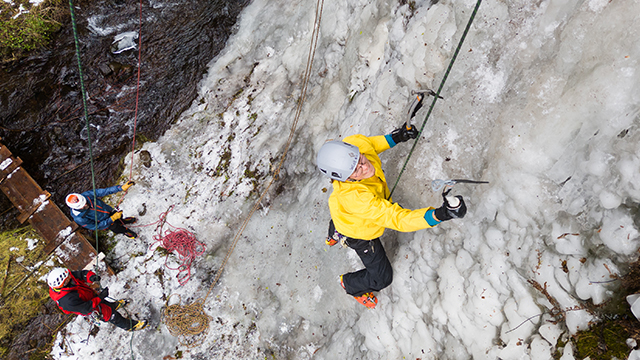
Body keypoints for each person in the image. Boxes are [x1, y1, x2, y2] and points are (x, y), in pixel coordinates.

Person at [317, 119, 467, 309]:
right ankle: (350, 284)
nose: (365, 165)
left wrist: (397, 136)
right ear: (346, 179)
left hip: (345, 213)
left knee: (341, 217)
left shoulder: (356, 145)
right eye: (356, 170)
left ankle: (335, 231)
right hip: (360, 233)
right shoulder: (356, 199)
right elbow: (397, 218)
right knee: (382, 278)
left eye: (360, 158)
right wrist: (440, 214)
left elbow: (371, 145)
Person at [47, 267, 147, 331]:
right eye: (68, 278)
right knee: (111, 315)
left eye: (69, 276)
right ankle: (129, 326)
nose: (70, 277)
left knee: (105, 303)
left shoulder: (68, 278)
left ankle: (114, 306)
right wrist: (100, 297)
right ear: (63, 284)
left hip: (90, 296)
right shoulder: (67, 301)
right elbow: (87, 308)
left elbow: (81, 274)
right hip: (91, 308)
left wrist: (91, 277)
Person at [66, 181, 138, 239]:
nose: (85, 204)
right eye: (82, 206)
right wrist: (112, 219)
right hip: (105, 223)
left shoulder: (85, 196)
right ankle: (125, 231)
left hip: (108, 210)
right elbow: (96, 226)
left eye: (84, 202)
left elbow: (103, 191)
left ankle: (123, 221)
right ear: (76, 208)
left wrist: (120, 188)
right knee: (116, 228)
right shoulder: (79, 218)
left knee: (119, 216)